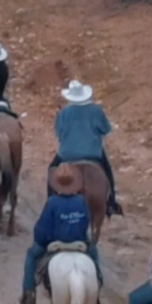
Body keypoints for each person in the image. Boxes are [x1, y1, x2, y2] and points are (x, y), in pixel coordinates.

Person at [19, 165, 101, 304]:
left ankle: (29, 292)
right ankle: (97, 289)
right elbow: (85, 222)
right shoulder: (81, 201)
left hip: (56, 243)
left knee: (31, 256)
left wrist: (41, 240)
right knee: (94, 252)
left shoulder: (52, 202)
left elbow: (42, 228)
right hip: (78, 242)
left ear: (57, 184)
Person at [52, 80, 123, 216]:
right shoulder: (96, 110)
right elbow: (105, 130)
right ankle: (111, 201)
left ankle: (51, 202)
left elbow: (58, 133)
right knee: (108, 172)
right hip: (92, 153)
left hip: (68, 154)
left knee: (51, 170)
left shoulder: (63, 113)